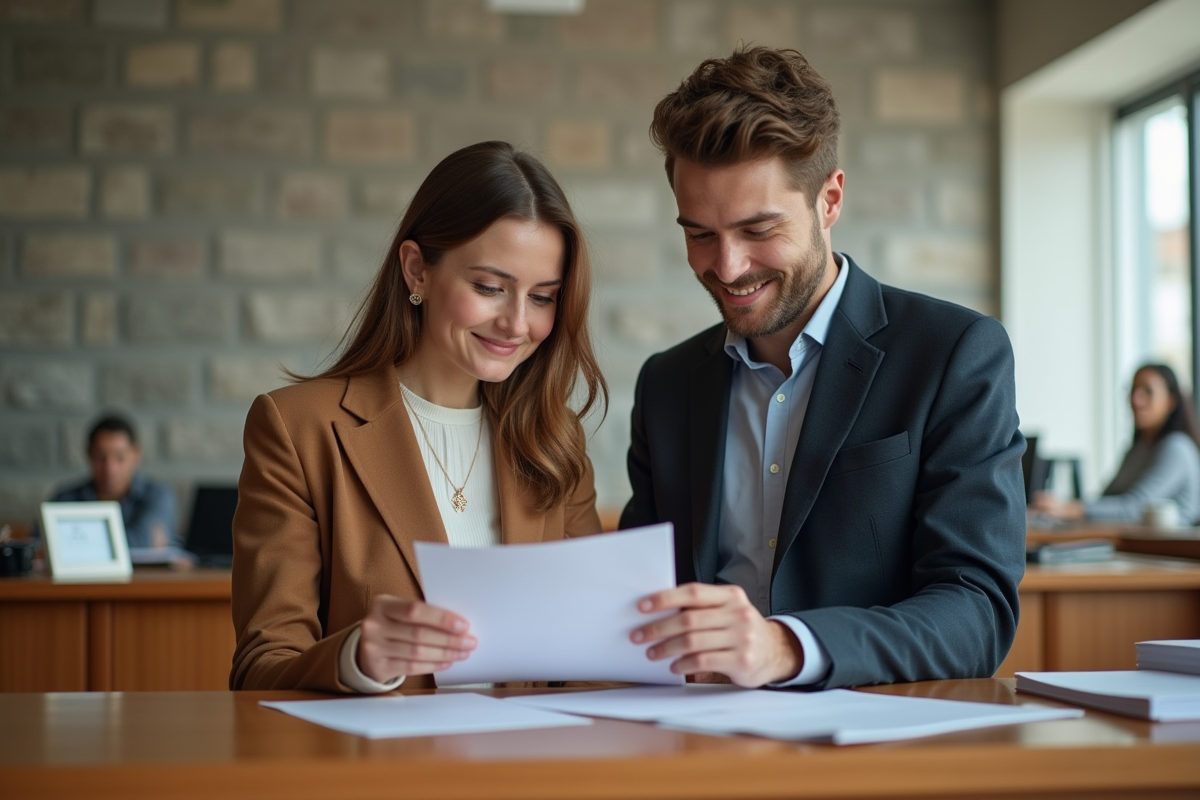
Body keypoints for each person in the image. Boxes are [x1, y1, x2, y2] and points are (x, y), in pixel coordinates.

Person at [621, 46, 1026, 690]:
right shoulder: (666, 385)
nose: (727, 267)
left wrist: (786, 648)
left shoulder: (954, 354)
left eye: (759, 230)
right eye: (700, 235)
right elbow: (635, 603)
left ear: (829, 200)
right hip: (691, 729)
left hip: (875, 732)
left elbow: (976, 613)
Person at [231, 141, 606, 693]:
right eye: (490, 288)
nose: (516, 323)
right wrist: (359, 658)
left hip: (527, 748)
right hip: (371, 751)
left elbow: (593, 657)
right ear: (416, 271)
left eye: (543, 297)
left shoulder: (554, 437)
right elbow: (261, 670)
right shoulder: (299, 430)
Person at [1033, 364, 1200, 525]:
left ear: (1171, 401)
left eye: (1148, 392)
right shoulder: (1138, 448)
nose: (1136, 399)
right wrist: (1062, 507)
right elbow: (1108, 497)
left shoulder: (1177, 448)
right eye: (1133, 390)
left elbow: (1136, 507)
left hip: (1169, 542)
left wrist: (1071, 509)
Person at [50, 413, 178, 549]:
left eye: (120, 457)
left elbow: (143, 541)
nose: (110, 468)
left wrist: (75, 541)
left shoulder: (157, 497)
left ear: (136, 454)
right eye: (101, 457)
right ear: (88, 454)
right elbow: (44, 543)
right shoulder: (65, 499)